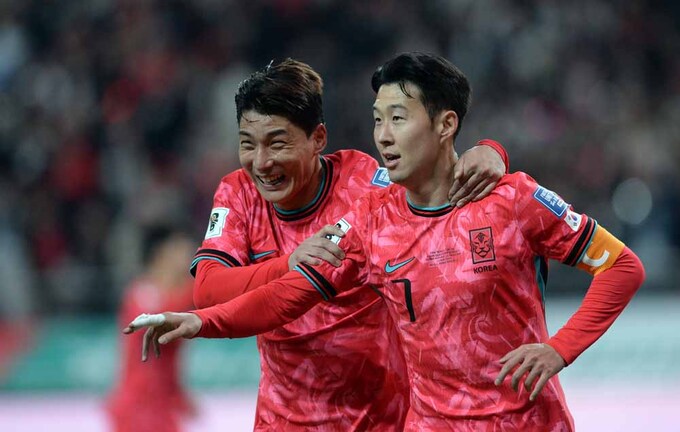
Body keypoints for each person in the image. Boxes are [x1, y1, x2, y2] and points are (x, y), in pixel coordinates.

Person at [126, 52, 646, 430]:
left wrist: (559, 349)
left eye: (397, 118)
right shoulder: (370, 220)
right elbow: (288, 295)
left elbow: (622, 267)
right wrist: (201, 321)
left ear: (445, 125)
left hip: (486, 421)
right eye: (378, 120)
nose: (383, 135)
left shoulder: (509, 200)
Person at [153, 59, 508, 431]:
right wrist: (288, 263)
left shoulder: (363, 185)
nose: (262, 162)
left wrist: (491, 150)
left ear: (318, 139)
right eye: (248, 144)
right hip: (283, 422)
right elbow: (208, 290)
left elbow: (436, 185)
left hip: (380, 419)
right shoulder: (238, 193)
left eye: (277, 143)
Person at [107, 226, 196, 432]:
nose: (189, 256)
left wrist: (178, 394)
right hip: (138, 408)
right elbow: (159, 325)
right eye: (181, 249)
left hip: (161, 405)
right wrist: (199, 287)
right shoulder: (142, 295)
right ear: (162, 253)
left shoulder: (180, 294)